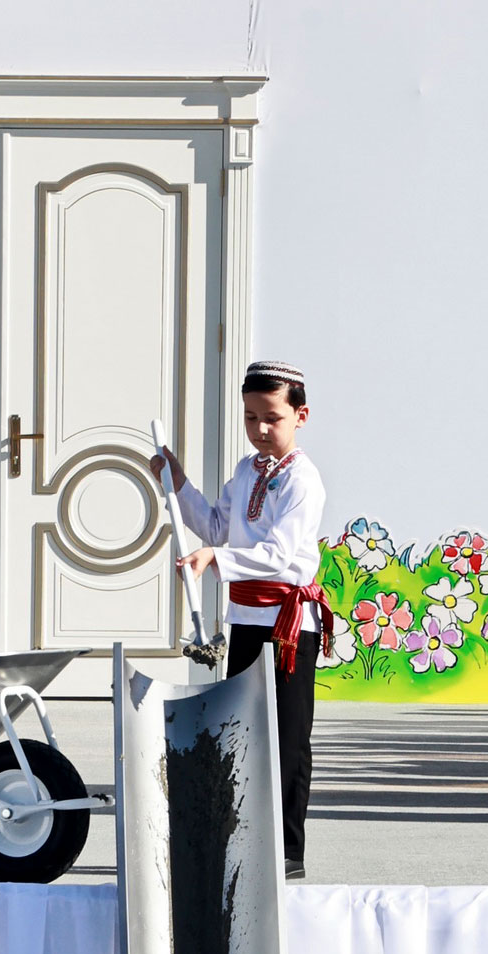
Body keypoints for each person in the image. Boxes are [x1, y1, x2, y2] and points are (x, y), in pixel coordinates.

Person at [152, 360, 333, 880]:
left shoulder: (303, 480)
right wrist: (180, 484)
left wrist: (214, 557)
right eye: (251, 417)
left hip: (288, 625)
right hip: (247, 620)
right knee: (244, 728)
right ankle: (246, 841)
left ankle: (288, 852)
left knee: (288, 738)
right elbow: (216, 526)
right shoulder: (247, 470)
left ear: (300, 416)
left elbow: (278, 555)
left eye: (271, 417)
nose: (260, 428)